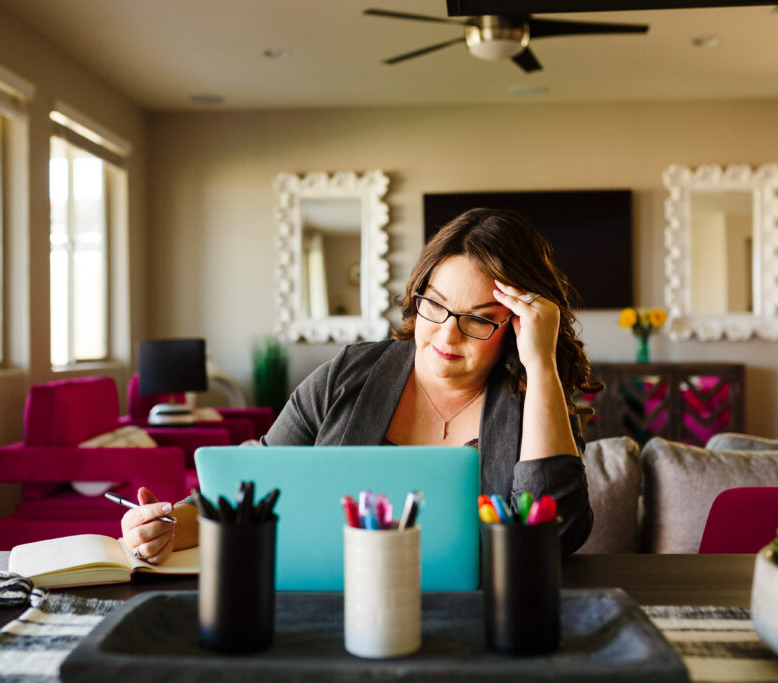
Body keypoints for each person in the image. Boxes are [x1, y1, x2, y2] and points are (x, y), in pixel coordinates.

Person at [121, 208, 597, 564]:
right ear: (416, 295)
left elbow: (557, 534)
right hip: (335, 601)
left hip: (482, 615)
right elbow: (254, 481)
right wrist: (167, 526)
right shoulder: (348, 373)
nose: (447, 334)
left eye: (478, 320)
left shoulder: (534, 398)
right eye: (435, 304)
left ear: (515, 327)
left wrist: (540, 367)